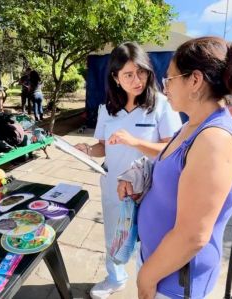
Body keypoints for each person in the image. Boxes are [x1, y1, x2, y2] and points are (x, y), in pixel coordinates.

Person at [115, 37, 232, 299]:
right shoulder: (193, 124)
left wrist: (147, 277)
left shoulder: (214, 140)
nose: (165, 87)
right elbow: (173, 166)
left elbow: (192, 236)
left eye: (169, 79)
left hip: (173, 280)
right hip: (160, 265)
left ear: (195, 80)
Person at [74, 42, 182, 299]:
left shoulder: (161, 106)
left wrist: (135, 142)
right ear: (115, 77)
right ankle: (115, 278)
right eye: (129, 75)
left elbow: (171, 149)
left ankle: (150, 283)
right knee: (115, 236)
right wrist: (87, 151)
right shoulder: (107, 110)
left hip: (151, 189)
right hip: (115, 186)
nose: (137, 80)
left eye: (141, 72)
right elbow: (103, 146)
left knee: (150, 239)